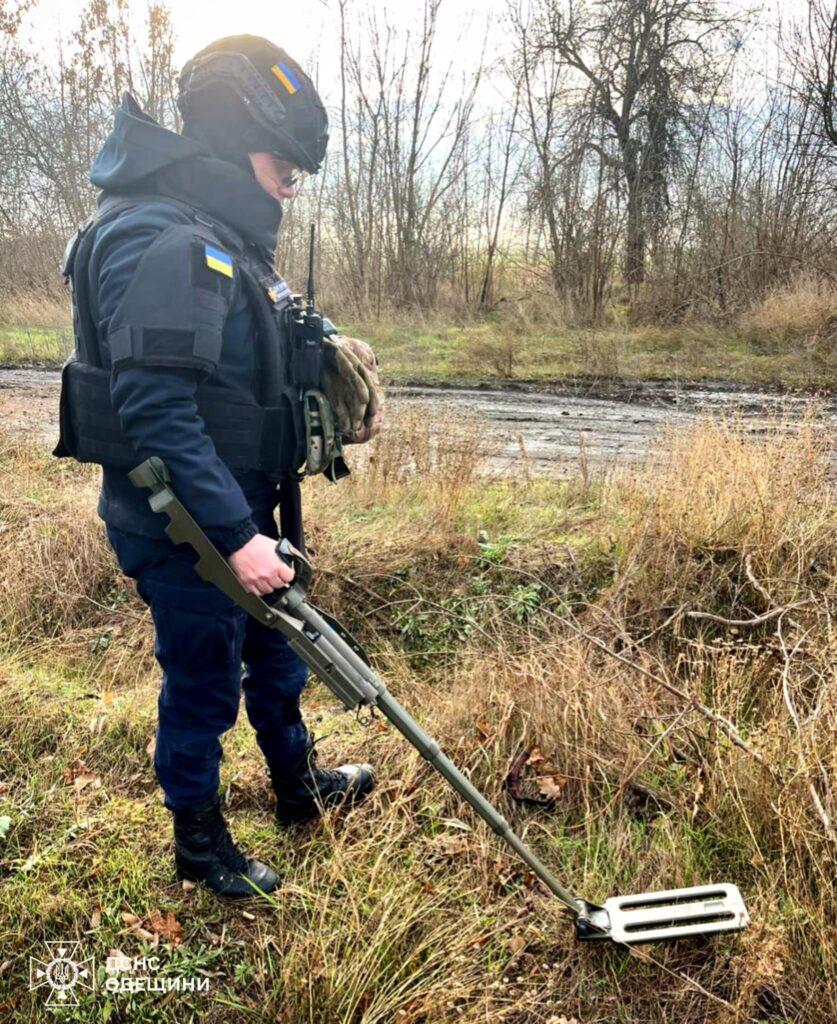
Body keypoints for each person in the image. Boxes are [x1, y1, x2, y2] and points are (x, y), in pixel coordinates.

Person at [54, 36, 381, 899]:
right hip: (184, 527)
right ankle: (200, 847)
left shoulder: (215, 235)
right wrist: (237, 541)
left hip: (231, 507)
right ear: (237, 141)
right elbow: (154, 409)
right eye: (283, 164)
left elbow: (229, 367)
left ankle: (299, 788)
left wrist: (314, 350)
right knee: (203, 681)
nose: (289, 184)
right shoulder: (166, 241)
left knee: (277, 661)